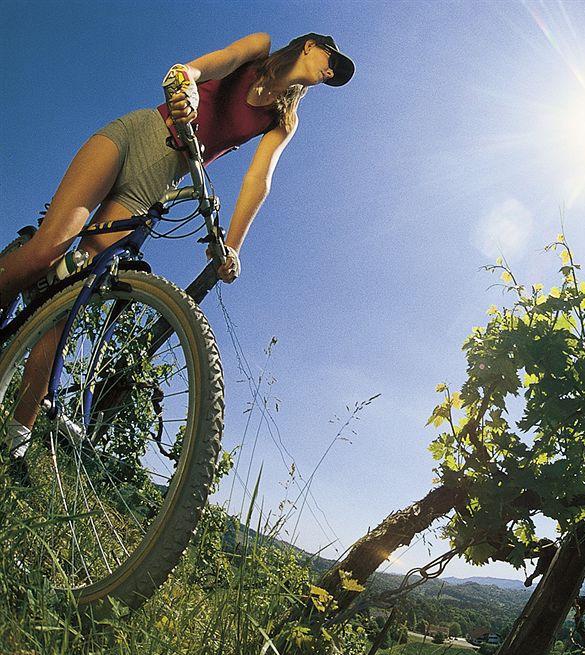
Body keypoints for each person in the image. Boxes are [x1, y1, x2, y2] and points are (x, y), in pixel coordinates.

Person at [0, 32, 355, 482]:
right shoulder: (260, 49)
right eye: (331, 60)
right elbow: (201, 67)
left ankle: (16, 435)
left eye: (335, 74)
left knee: (67, 299)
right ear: (309, 46)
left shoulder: (283, 120)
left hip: (158, 182)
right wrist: (184, 82)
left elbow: (257, 181)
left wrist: (233, 245)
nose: (330, 71)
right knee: (46, 252)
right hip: (139, 135)